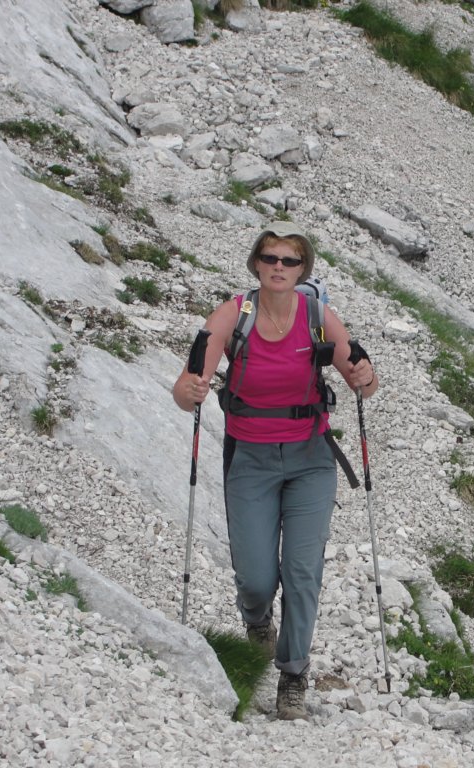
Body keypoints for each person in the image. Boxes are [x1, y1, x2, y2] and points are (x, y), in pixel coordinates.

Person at [172, 221, 379, 720]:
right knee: (256, 578)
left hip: (311, 460)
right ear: (256, 264)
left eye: (290, 260)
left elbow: (363, 381)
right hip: (251, 460)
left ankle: (293, 675)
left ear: (303, 268)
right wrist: (191, 391)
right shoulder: (233, 315)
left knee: (302, 571)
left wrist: (363, 377)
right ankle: (257, 621)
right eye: (270, 258)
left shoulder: (319, 316)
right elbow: (186, 386)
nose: (279, 267)